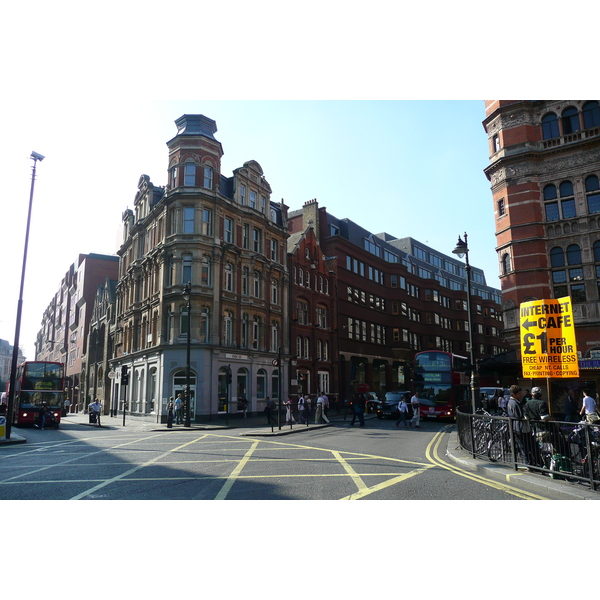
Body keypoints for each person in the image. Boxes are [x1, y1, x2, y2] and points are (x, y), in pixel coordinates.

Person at [507, 385, 542, 467]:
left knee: (526, 446)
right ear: (514, 394)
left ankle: (531, 463)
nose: (521, 395)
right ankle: (530, 463)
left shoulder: (512, 402)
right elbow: (520, 416)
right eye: (519, 393)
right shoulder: (515, 403)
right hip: (521, 429)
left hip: (517, 428)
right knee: (527, 447)